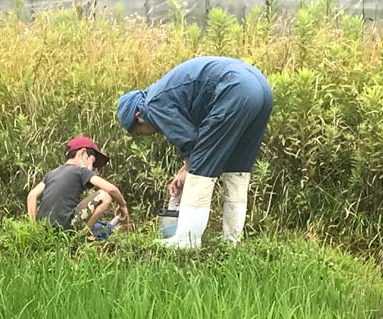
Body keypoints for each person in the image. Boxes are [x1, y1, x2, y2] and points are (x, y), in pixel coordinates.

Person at [117, 57, 273, 247]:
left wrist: (190, 169)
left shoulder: (152, 105)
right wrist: (185, 167)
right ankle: (232, 240)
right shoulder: (163, 93)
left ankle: (187, 241)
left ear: (138, 116)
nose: (146, 135)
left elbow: (192, 142)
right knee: (237, 167)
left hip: (235, 88)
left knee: (201, 164)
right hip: (261, 88)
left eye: (139, 132)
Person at [27, 136, 130, 239]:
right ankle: (79, 238)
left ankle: (39, 233)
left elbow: (32, 196)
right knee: (105, 196)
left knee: (98, 225)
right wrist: (123, 206)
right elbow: (111, 189)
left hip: (45, 229)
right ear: (82, 153)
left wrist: (35, 229)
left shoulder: (51, 174)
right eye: (92, 162)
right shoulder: (80, 171)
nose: (92, 167)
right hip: (65, 227)